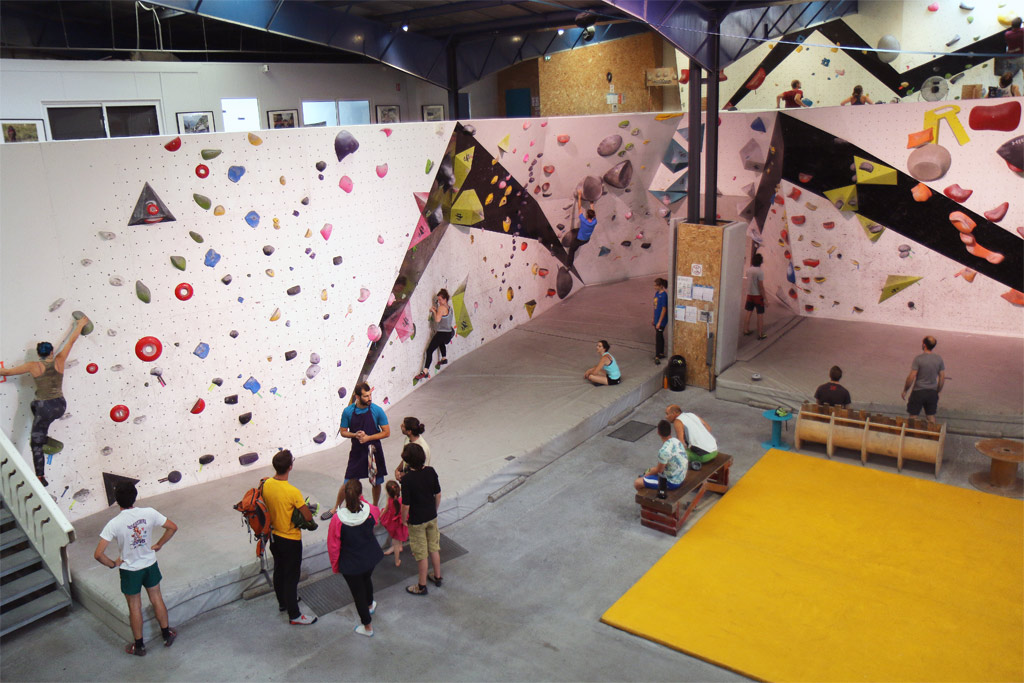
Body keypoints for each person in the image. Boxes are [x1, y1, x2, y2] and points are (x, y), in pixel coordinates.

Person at [1, 315, 89, 486]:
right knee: (34, 407)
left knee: (35, 442)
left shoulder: (34, 366)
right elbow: (71, 341)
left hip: (45, 406)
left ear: (38, 354)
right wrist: (80, 324)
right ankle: (44, 433)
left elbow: (8, 372)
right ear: (51, 352)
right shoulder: (60, 360)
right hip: (60, 405)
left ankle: (40, 476)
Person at [93, 481, 178, 656]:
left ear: (116, 500)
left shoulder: (114, 523)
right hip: (150, 564)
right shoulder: (149, 512)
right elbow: (172, 527)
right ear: (135, 496)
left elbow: (98, 554)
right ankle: (166, 634)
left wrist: (113, 564)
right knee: (156, 598)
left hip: (130, 570)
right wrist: (159, 544)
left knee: (134, 606)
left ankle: (139, 646)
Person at [261, 449, 317, 625]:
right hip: (290, 539)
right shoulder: (292, 491)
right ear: (290, 467)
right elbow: (307, 516)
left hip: (273, 537)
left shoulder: (266, 484)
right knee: (291, 577)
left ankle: (283, 603)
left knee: (279, 571)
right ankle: (295, 615)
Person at [331, 480, 383, 638]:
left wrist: (335, 566)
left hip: (351, 564)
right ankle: (370, 604)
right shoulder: (370, 510)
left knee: (358, 593)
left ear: (345, 496)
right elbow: (376, 515)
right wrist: (362, 500)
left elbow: (333, 546)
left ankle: (367, 626)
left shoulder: (338, 519)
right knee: (366, 580)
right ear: (361, 495)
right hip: (370, 557)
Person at [400, 443, 442, 596]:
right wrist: (434, 510)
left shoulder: (407, 480)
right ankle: (437, 576)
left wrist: (404, 520)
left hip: (417, 521)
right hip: (431, 516)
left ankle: (421, 586)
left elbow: (406, 505)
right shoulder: (431, 471)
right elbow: (438, 494)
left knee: (421, 553)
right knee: (434, 547)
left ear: (407, 460)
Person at [339, 382, 389, 506]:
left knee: (376, 482)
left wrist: (368, 438)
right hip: (357, 452)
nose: (369, 398)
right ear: (357, 397)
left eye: (370, 395)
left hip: (374, 451)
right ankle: (336, 508)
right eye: (366, 396)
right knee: (348, 483)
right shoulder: (348, 412)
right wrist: (355, 435)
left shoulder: (377, 410)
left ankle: (375, 506)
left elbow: (386, 432)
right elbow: (343, 432)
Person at [634, 420, 688, 493]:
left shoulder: (663, 451)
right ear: (670, 431)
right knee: (650, 470)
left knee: (638, 482)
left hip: (672, 483)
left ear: (658, 432)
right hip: (681, 476)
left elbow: (659, 470)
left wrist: (646, 475)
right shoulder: (676, 441)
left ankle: (646, 497)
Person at [902, 336, 945, 424]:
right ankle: (932, 432)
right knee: (930, 416)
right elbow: (942, 377)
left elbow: (911, 376)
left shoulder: (918, 359)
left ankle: (912, 432)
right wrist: (937, 391)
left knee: (913, 416)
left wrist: (905, 390)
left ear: (924, 345)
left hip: (918, 392)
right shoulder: (939, 359)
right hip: (932, 392)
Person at [414, 289, 454, 381]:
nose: (438, 302)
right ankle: (444, 358)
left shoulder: (441, 308)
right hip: (448, 332)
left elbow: (437, 320)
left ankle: (425, 371)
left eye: (440, 299)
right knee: (441, 343)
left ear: (445, 299)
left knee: (429, 351)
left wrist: (434, 311)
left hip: (442, 333)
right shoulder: (449, 308)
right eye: (438, 300)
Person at [379, 480, 409, 567]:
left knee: (395, 541)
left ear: (388, 493)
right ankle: (400, 546)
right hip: (399, 521)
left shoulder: (390, 500)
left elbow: (386, 509)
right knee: (399, 537)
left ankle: (397, 561)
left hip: (393, 522)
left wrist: (380, 516)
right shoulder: (401, 500)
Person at [567, 189, 597, 266]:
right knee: (577, 243)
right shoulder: (594, 222)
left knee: (571, 250)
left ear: (587, 215)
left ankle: (569, 265)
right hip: (586, 240)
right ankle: (576, 246)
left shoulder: (583, 220)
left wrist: (579, 196)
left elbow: (579, 208)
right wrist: (591, 203)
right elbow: (593, 213)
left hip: (579, 239)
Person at [395, 416, 430, 481]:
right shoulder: (407, 439)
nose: (400, 426)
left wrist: (404, 475)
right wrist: (397, 470)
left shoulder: (422, 448)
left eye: (403, 426)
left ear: (409, 431)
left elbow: (421, 471)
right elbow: (406, 459)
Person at [742, 253, 767, 340]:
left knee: (748, 313)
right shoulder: (760, 272)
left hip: (749, 295)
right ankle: (760, 334)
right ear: (761, 262)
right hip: (758, 296)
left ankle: (746, 330)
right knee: (760, 315)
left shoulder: (748, 270)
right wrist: (765, 299)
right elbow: (761, 286)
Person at [653, 278, 669, 365]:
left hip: (661, 320)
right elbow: (655, 307)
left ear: (661, 286)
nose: (654, 287)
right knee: (660, 336)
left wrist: (659, 322)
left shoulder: (664, 295)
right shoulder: (656, 294)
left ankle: (657, 356)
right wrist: (653, 318)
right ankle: (661, 353)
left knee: (658, 338)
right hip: (656, 318)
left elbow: (664, 309)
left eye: (656, 285)